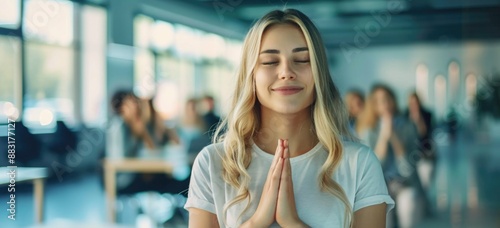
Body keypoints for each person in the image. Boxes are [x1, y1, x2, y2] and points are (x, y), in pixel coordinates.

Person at [185, 9, 394, 228]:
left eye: (302, 59)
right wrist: (256, 223)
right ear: (251, 76)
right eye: (269, 61)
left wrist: (292, 222)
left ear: (319, 73)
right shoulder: (213, 163)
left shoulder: (359, 164)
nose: (286, 72)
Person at [356, 84, 424, 228]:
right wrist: (383, 136)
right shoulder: (368, 130)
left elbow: (408, 169)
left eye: (387, 99)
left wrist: (394, 137)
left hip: (405, 183)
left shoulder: (407, 126)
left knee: (409, 207)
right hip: (380, 187)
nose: (385, 104)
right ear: (373, 106)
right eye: (379, 101)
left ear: (394, 101)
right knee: (385, 219)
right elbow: (373, 170)